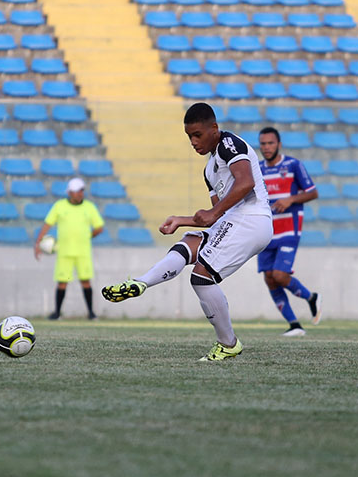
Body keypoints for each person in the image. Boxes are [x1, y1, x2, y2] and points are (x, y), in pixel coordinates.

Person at [101, 102, 273, 361]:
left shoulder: (229, 145)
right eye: (189, 137)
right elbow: (217, 216)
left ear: (214, 128)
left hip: (252, 219)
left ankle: (228, 344)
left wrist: (214, 214)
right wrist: (181, 220)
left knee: (202, 277)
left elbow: (246, 183)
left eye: (197, 135)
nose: (193, 141)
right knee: (188, 243)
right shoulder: (209, 169)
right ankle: (141, 282)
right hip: (237, 220)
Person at [257, 127, 322, 336]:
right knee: (269, 277)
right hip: (265, 231)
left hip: (288, 229)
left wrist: (291, 199)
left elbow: (312, 193)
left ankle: (310, 297)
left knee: (279, 274)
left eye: (270, 143)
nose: (266, 148)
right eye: (263, 144)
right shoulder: (257, 169)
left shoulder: (293, 165)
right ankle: (294, 324)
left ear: (279, 144)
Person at [34, 177, 105, 320]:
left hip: (83, 252)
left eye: (82, 191)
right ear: (70, 192)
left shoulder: (89, 207)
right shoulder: (59, 206)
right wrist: (38, 243)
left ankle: (91, 313)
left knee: (85, 281)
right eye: (77, 191)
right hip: (64, 252)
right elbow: (47, 224)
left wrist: (87, 236)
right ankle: (57, 313)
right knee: (62, 281)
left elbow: (99, 227)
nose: (80, 193)